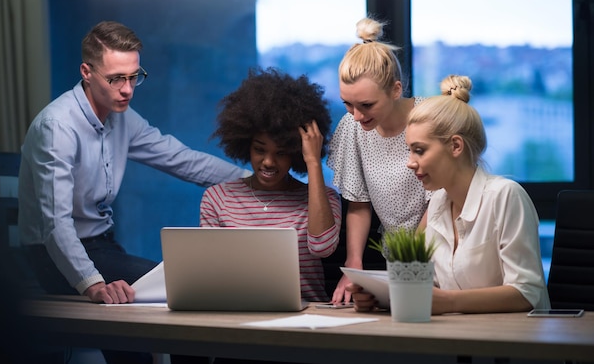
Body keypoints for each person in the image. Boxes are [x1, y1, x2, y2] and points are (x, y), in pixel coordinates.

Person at [18, 21, 248, 364]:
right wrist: (93, 284)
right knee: (183, 293)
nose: (127, 89)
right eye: (116, 79)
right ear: (86, 72)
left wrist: (253, 181)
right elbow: (56, 224)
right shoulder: (57, 128)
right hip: (53, 254)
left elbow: (180, 158)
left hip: (102, 245)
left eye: (133, 77)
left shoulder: (120, 115)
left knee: (141, 339)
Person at [348, 74, 551, 314]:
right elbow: (432, 289)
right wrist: (380, 298)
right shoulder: (437, 204)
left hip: (513, 342)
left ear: (456, 146)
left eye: (419, 151)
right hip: (456, 336)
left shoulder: (506, 196)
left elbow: (527, 292)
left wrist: (448, 302)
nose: (410, 163)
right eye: (409, 151)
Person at [200, 66, 342, 302]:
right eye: (259, 150)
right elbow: (211, 272)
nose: (268, 162)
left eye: (281, 153)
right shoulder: (217, 199)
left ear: (296, 152)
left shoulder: (323, 198)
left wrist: (313, 162)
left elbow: (322, 247)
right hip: (235, 312)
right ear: (245, 144)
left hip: (307, 317)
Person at [327, 16, 431, 303]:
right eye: (347, 103)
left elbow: (443, 203)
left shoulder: (429, 118)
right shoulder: (352, 127)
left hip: (438, 250)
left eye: (367, 105)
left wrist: (409, 262)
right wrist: (354, 268)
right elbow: (358, 204)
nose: (356, 115)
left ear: (396, 90)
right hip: (395, 260)